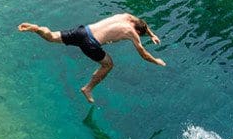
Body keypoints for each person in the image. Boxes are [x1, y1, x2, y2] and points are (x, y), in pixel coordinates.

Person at [18, 13, 165, 103]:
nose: (139, 35)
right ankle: (87, 88)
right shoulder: (131, 32)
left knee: (51, 37)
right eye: (140, 34)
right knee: (108, 64)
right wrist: (156, 61)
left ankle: (37, 29)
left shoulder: (126, 16)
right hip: (91, 44)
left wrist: (152, 35)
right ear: (137, 30)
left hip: (83, 31)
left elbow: (142, 25)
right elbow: (143, 54)